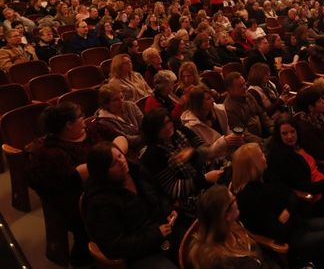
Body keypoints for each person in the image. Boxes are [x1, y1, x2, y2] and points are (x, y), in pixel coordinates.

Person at [232, 143, 324, 267]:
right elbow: (278, 231)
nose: (265, 157)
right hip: (293, 240)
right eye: (261, 155)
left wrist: (287, 211)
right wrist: (290, 209)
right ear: (253, 164)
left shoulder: (267, 176)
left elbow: (292, 196)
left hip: (300, 223)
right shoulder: (248, 197)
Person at [82, 141, 178, 269]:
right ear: (103, 172)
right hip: (139, 252)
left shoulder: (135, 169)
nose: (121, 162)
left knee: (198, 251)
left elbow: (158, 192)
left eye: (120, 156)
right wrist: (155, 235)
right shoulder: (99, 201)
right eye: (113, 164)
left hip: (161, 228)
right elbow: (113, 247)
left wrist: (168, 210)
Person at [26, 102, 95, 266]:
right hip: (73, 200)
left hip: (91, 188)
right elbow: (71, 180)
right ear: (68, 125)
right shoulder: (50, 153)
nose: (84, 119)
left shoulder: (86, 133)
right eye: (81, 117)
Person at [266, 114, 324, 217]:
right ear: (279, 136)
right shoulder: (283, 157)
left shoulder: (297, 145)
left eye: (292, 131)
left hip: (323, 181)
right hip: (317, 197)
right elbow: (306, 187)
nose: (289, 136)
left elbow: (313, 163)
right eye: (284, 133)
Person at [141, 108, 221, 216]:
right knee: (220, 200)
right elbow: (173, 189)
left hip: (204, 172)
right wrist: (205, 179)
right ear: (153, 130)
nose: (168, 127)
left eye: (168, 122)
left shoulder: (179, 130)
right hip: (186, 197)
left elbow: (207, 150)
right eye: (162, 126)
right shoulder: (152, 155)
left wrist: (192, 151)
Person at [188, 185, 278, 269]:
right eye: (233, 199)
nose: (236, 199)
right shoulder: (219, 261)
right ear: (225, 215)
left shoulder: (233, 227)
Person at [180, 85, 243, 162]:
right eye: (208, 98)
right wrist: (223, 141)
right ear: (198, 103)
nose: (213, 100)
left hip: (229, 154)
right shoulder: (190, 126)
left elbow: (227, 131)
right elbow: (204, 153)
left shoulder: (219, 111)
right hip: (214, 162)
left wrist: (234, 139)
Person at [88, 84, 146, 156]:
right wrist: (146, 136)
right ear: (106, 104)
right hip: (130, 152)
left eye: (122, 97)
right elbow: (126, 140)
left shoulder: (131, 105)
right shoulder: (103, 122)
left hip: (145, 142)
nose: (121, 101)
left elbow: (145, 123)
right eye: (115, 100)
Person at [223, 72, 274, 144]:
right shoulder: (229, 108)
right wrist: (262, 142)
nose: (245, 87)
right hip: (251, 143)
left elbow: (262, 114)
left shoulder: (247, 95)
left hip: (264, 134)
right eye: (241, 86)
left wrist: (272, 128)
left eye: (244, 84)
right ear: (230, 89)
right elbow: (242, 133)